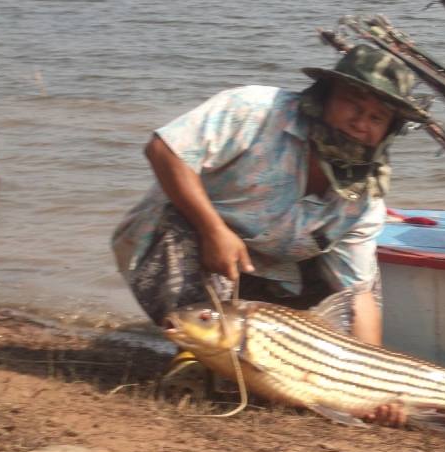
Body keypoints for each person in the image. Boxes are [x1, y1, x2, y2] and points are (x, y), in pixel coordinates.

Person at [111, 44, 426, 423]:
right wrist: (213, 230)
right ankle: (194, 358)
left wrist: (372, 384)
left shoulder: (364, 201)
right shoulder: (253, 111)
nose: (361, 122)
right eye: (353, 105)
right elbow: (164, 151)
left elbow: (356, 295)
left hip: (270, 282)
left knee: (364, 285)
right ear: (325, 98)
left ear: (388, 132)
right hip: (188, 247)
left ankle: (282, 376)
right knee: (175, 224)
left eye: (377, 117)